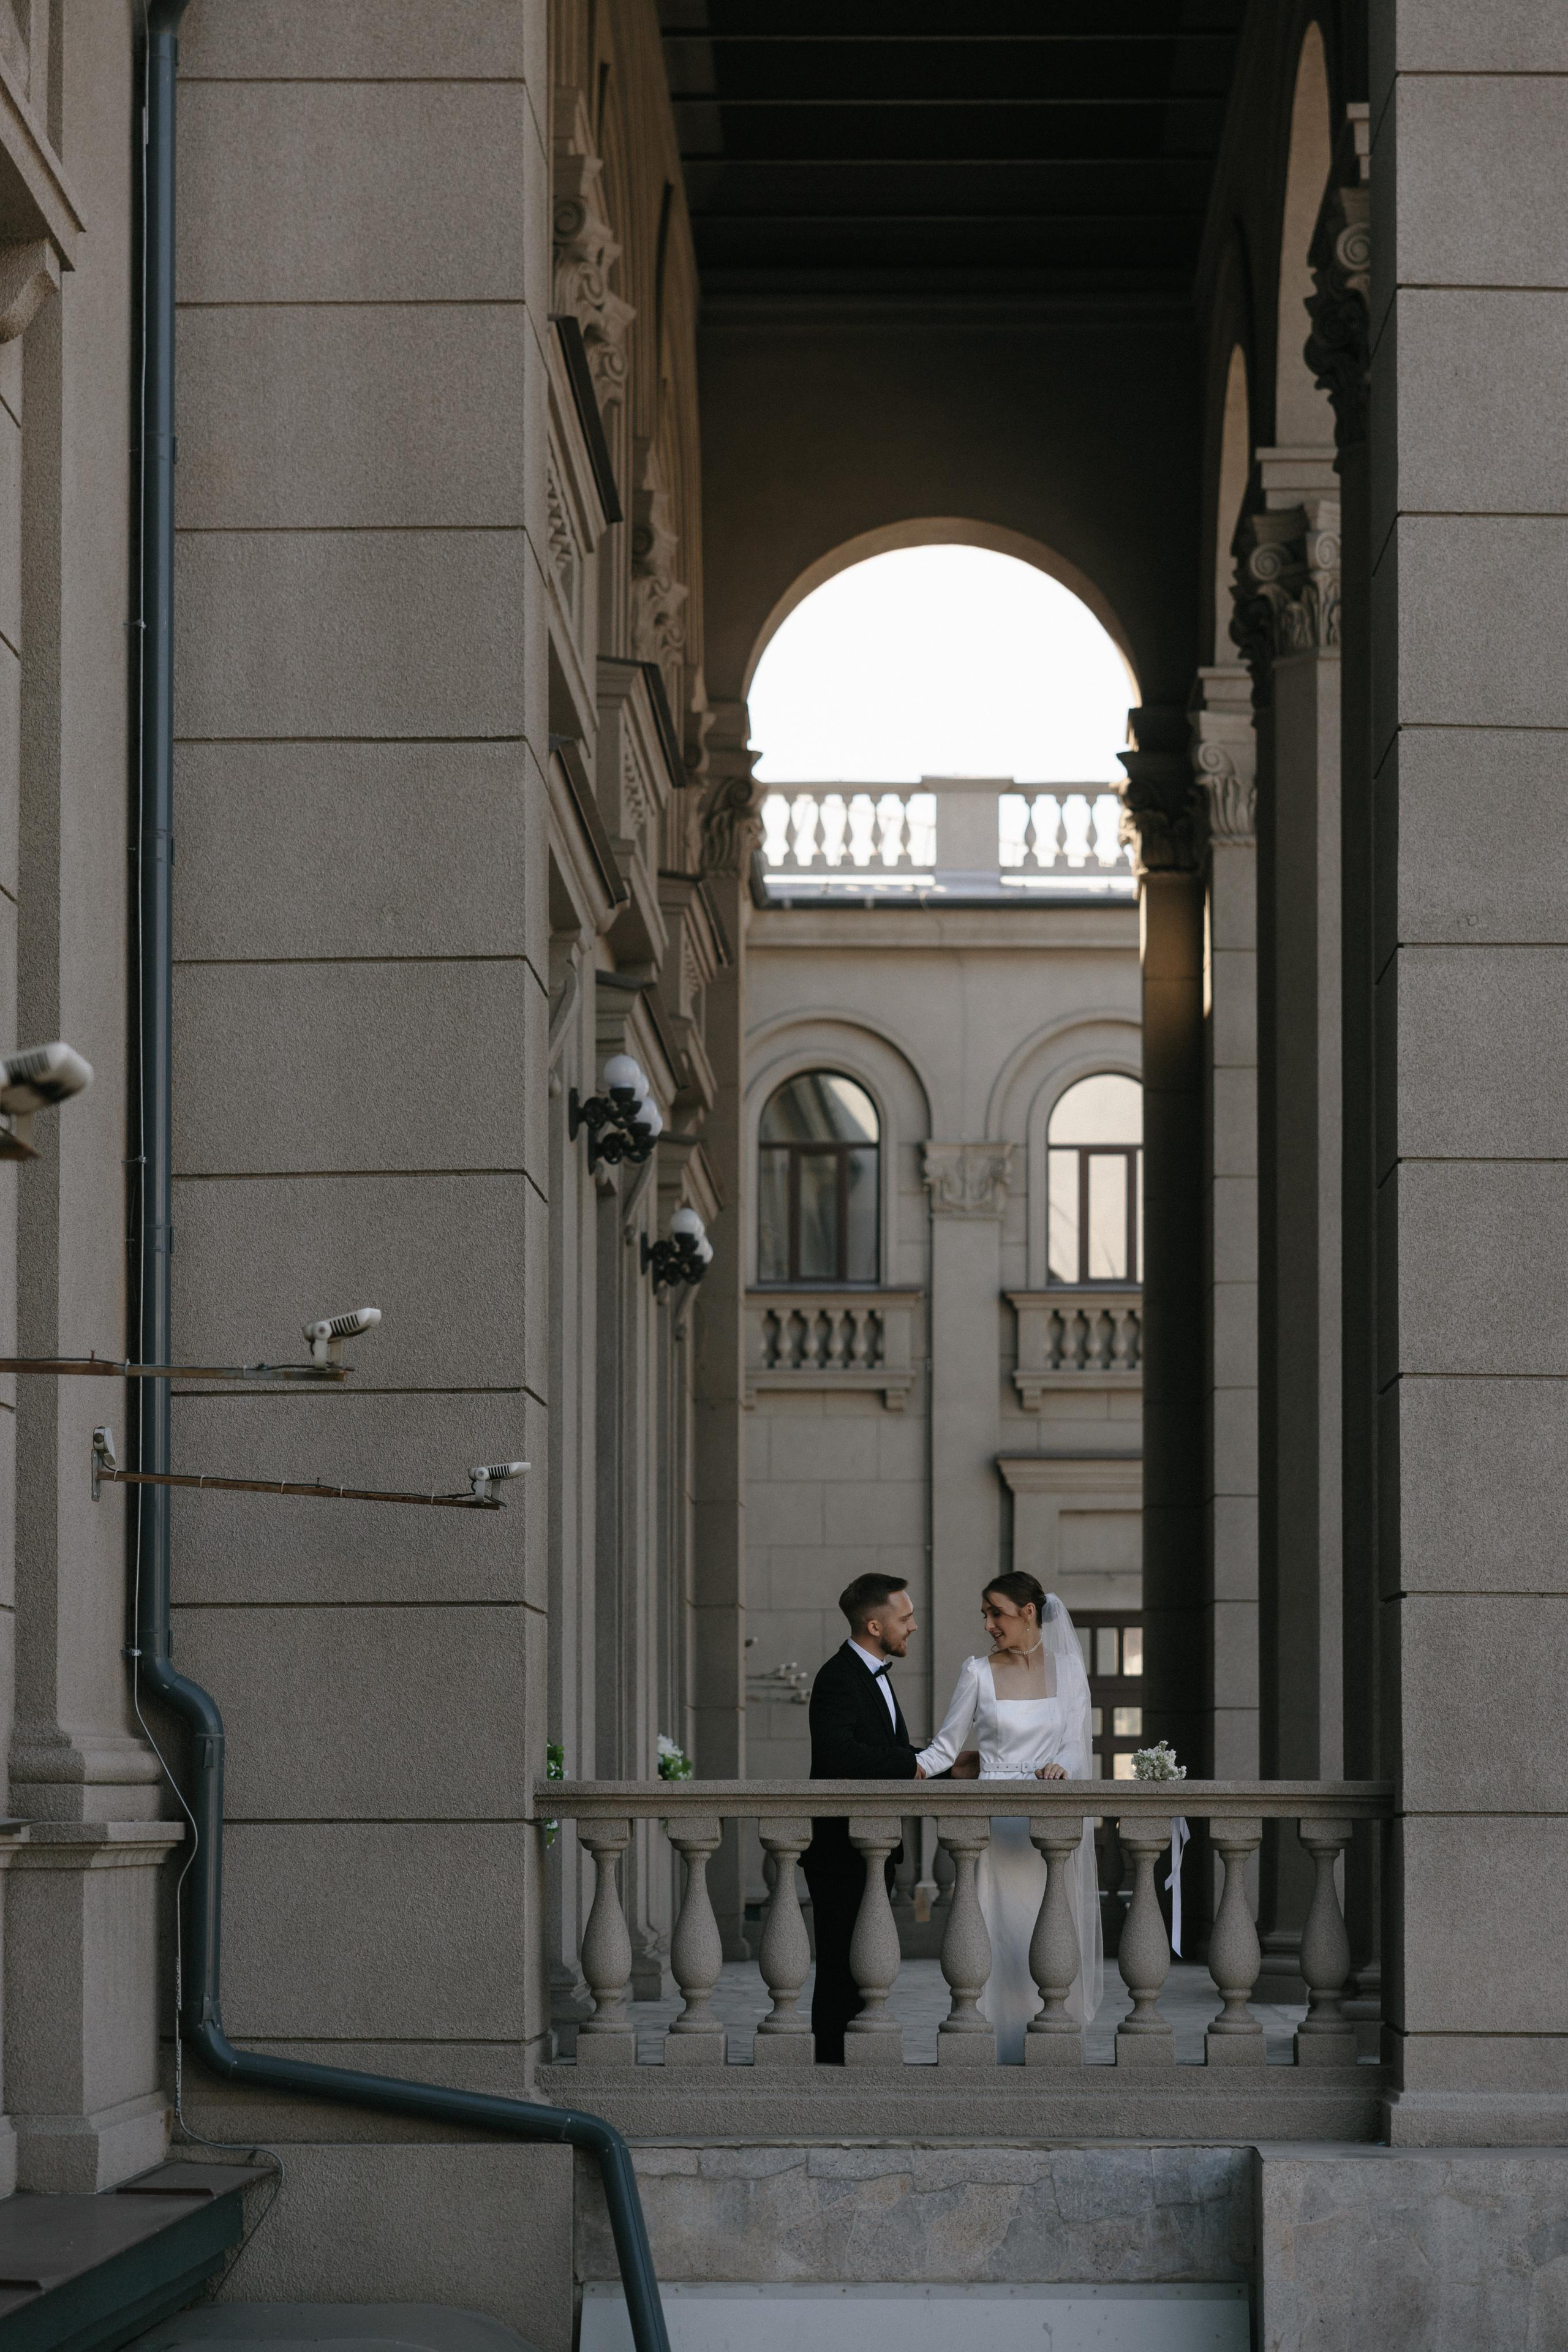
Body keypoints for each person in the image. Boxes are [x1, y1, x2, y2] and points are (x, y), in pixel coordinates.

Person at [915, 1572, 1102, 2061]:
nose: (988, 1624)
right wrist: (901, 1768)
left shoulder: (1068, 1671)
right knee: (997, 1937)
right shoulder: (976, 1672)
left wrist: (1064, 1767)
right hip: (994, 1826)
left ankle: (1051, 2047)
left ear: (1028, 1611)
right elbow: (944, 1748)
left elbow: (1077, 1744)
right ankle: (995, 2049)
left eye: (996, 1612)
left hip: (1047, 1822)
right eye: (984, 1614)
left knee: (1049, 1933)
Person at [802, 1574, 921, 2063]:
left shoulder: (873, 1673)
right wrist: (914, 1764)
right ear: (875, 1624)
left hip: (871, 1845)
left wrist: (942, 1766)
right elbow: (840, 1758)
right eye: (906, 1617)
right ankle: (832, 2065)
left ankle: (852, 2061)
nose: (913, 1626)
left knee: (862, 1965)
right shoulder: (838, 1677)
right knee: (840, 1966)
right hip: (841, 1850)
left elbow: (885, 1753)